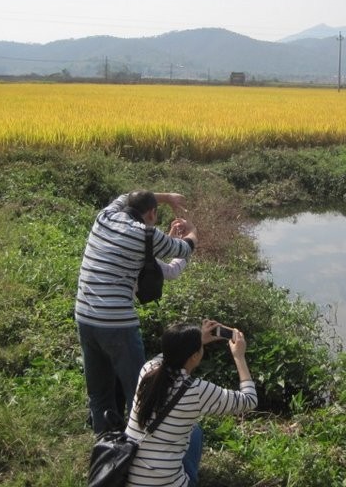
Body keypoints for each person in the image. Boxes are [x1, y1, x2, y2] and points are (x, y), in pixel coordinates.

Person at [75, 190, 198, 434]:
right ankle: (138, 449)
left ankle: (105, 449)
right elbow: (184, 249)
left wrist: (164, 197)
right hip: (117, 324)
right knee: (139, 393)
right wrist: (193, 230)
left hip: (85, 317)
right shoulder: (146, 236)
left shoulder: (105, 216)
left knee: (99, 394)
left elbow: (125, 195)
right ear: (152, 214)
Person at [125, 320, 257, 487]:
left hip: (127, 477)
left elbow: (169, 355)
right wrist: (239, 356)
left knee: (194, 431)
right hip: (165, 484)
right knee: (194, 432)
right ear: (195, 356)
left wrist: (196, 340)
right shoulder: (196, 391)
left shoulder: (148, 370)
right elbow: (249, 400)